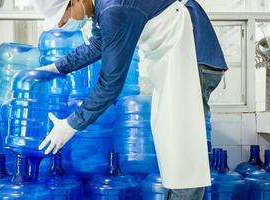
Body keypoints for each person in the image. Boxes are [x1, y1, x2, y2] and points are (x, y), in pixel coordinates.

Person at [34, 0, 227, 199]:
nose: (61, 24)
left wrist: (71, 124)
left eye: (62, 17)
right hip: (177, 59)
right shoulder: (102, 8)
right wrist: (58, 67)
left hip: (191, 54)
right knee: (172, 144)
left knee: (183, 148)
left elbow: (110, 84)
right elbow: (98, 44)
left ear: (76, 1)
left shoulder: (113, 9)